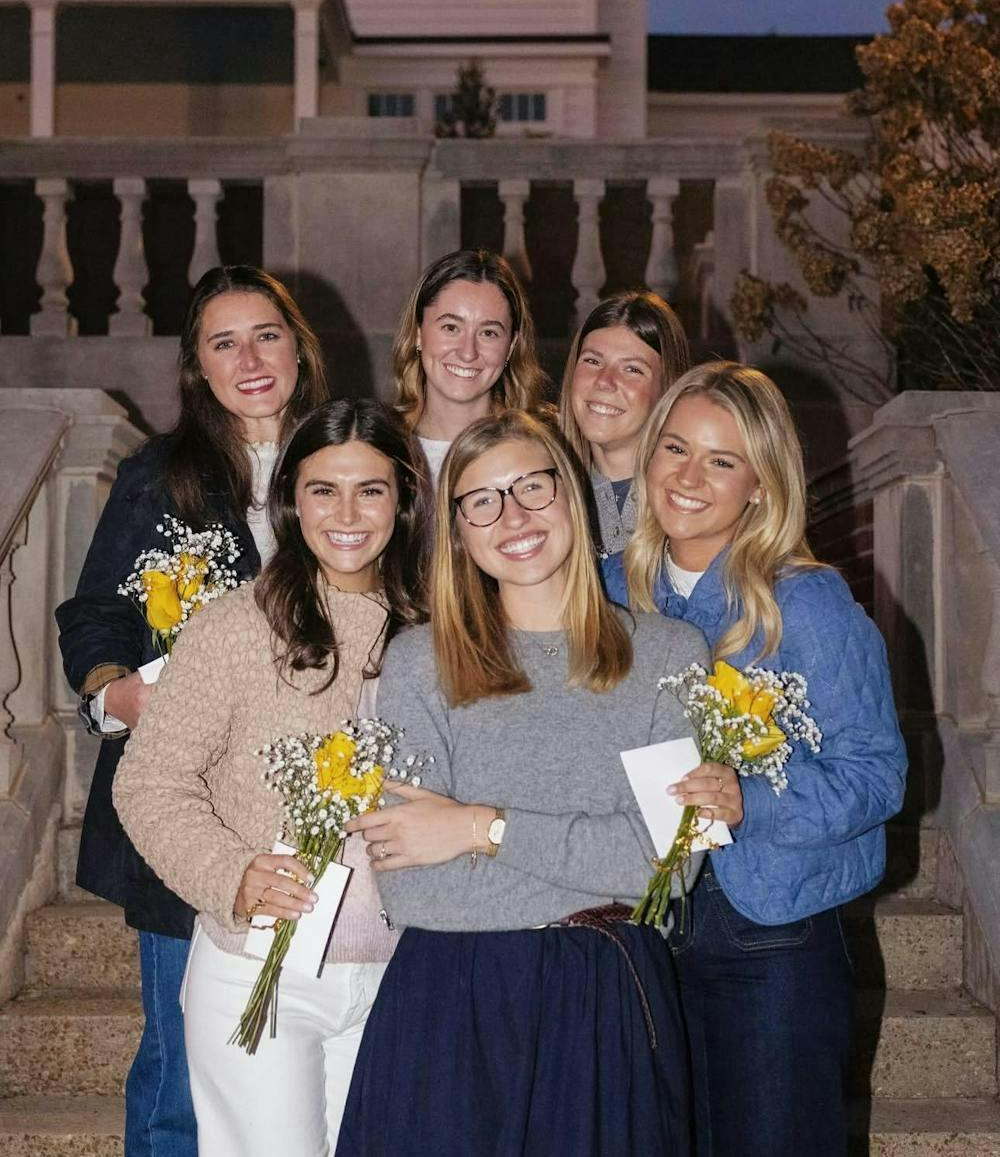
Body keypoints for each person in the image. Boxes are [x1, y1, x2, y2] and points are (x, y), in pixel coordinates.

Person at [336, 409, 710, 1157]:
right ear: (461, 532)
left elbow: (667, 869)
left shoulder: (670, 651)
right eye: (483, 499)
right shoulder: (418, 661)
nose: (514, 515)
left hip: (606, 1007)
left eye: (532, 486)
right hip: (453, 1003)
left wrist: (480, 826)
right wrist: (598, 869)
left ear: (571, 494)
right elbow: (411, 887)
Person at [602, 361, 907, 1157]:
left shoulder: (805, 603)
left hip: (766, 941)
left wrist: (751, 799)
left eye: (721, 460)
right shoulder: (605, 591)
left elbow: (878, 773)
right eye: (674, 447)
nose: (688, 476)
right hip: (635, 936)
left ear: (762, 485)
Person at [55, 264, 327, 1157]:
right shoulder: (156, 476)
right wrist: (118, 692)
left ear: (298, 346)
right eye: (224, 341)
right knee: (180, 1073)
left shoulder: (347, 464)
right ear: (197, 367)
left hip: (319, 807)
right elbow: (95, 613)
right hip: (186, 817)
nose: (250, 358)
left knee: (307, 1063)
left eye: (267, 335)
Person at [113, 399, 431, 1157]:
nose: (347, 512)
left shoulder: (439, 631)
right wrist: (232, 871)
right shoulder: (236, 624)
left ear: (405, 499)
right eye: (324, 489)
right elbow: (149, 781)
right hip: (261, 969)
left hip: (403, 977)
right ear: (291, 498)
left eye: (372, 489)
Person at [391, 248, 547, 484]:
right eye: (451, 328)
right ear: (418, 333)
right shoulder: (381, 447)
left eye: (488, 333)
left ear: (512, 345)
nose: (467, 352)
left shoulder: (540, 450)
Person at [559, 289, 689, 558]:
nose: (604, 381)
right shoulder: (545, 493)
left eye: (632, 369)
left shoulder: (689, 500)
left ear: (667, 388)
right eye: (593, 361)